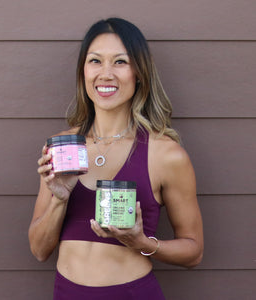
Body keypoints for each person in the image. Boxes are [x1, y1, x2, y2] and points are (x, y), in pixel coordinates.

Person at [28, 17, 204, 299]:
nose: (106, 73)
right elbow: (39, 250)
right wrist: (59, 200)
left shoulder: (165, 153)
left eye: (120, 62)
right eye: (95, 61)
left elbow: (193, 251)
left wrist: (141, 242)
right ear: (83, 71)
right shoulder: (62, 147)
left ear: (139, 73)